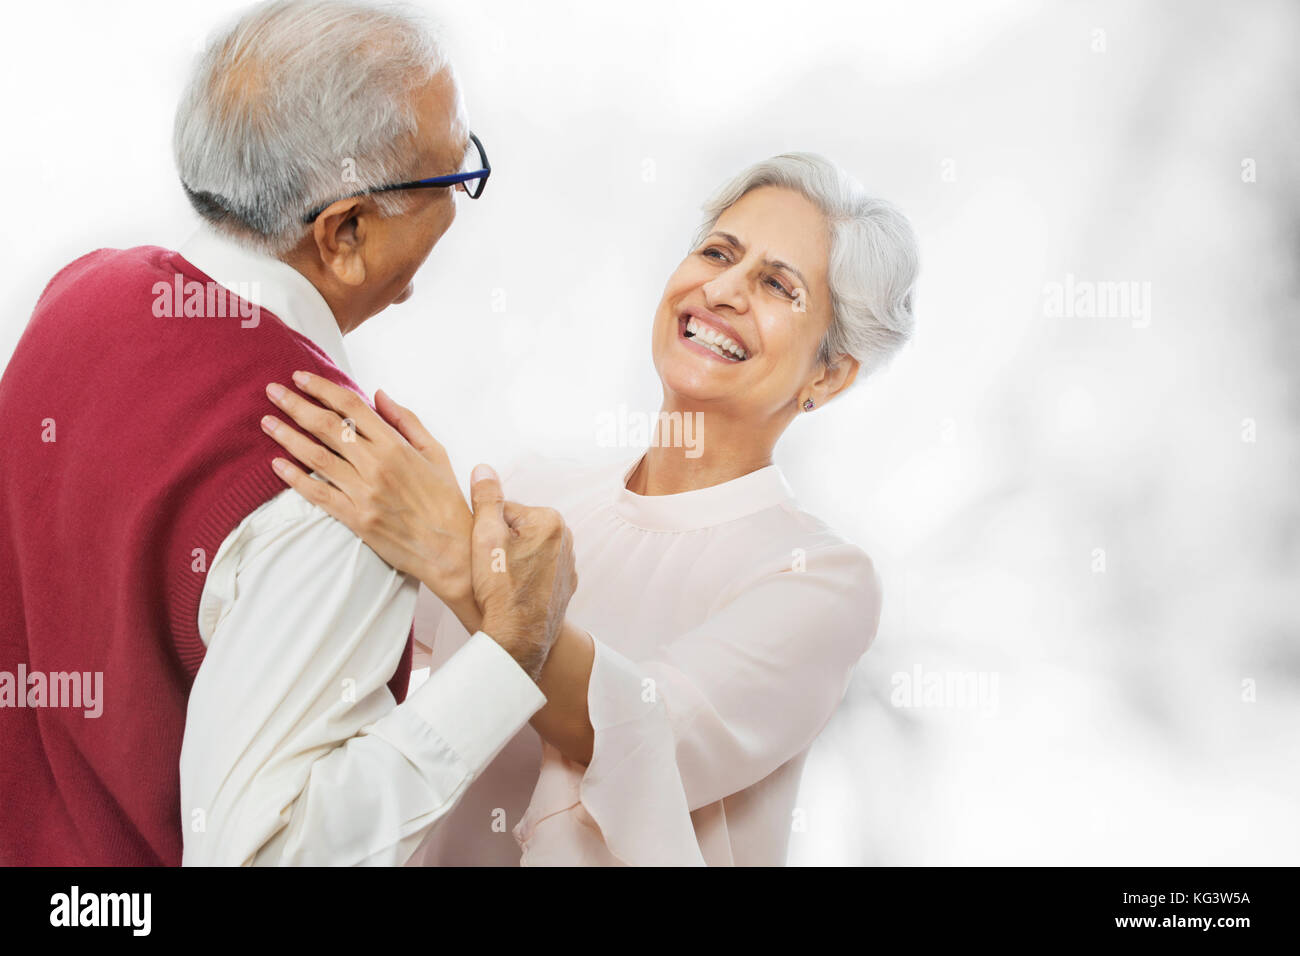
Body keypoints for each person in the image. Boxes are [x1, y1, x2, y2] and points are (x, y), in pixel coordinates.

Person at [0, 0, 577, 866]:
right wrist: (507, 655)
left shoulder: (80, 291)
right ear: (345, 233)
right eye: (452, 175)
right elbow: (264, 856)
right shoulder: (333, 484)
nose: (463, 188)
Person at [259, 152, 920, 864]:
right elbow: (349, 625)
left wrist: (455, 556)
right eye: (716, 252)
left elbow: (637, 735)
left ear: (831, 372)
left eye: (775, 284)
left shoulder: (818, 580)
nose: (724, 290)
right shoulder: (533, 491)